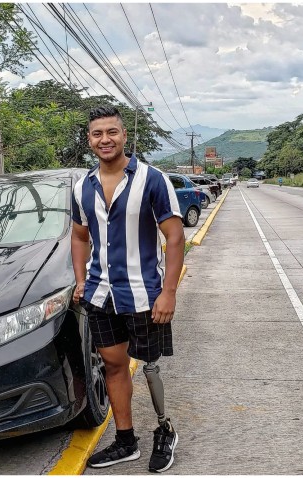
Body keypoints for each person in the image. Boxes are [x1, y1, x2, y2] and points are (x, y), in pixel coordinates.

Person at [71, 105, 185, 473]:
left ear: (124, 136)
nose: (105, 140)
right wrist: (80, 280)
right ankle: (125, 441)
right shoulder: (81, 187)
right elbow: (79, 236)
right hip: (100, 295)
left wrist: (168, 292)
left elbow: (174, 236)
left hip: (144, 294)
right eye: (97, 134)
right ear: (89, 140)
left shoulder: (152, 179)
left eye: (111, 132)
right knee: (114, 365)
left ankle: (164, 430)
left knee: (149, 367)